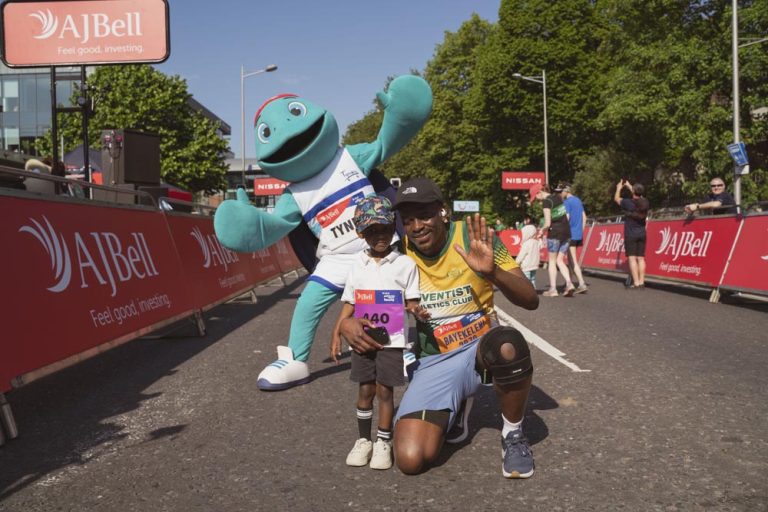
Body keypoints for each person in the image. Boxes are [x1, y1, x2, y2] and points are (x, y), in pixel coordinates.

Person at [338, 177, 540, 479]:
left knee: (508, 345)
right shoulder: (398, 252)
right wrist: (347, 322)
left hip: (482, 349)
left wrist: (493, 273)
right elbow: (365, 294)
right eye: (408, 220)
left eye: (424, 215)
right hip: (436, 360)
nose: (417, 226)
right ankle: (455, 407)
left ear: (442, 212)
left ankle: (513, 434)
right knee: (410, 458)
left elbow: (530, 299)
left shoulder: (475, 237)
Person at [330, 195, 426, 470]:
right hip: (362, 340)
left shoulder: (405, 264)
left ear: (393, 227)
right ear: (361, 233)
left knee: (385, 390)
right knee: (365, 389)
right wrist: (336, 333)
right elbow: (350, 303)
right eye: (372, 231)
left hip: (392, 341)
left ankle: (383, 441)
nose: (380, 236)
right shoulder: (356, 265)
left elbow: (412, 300)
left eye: (384, 229)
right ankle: (364, 440)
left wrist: (417, 311)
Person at [530, 184, 575, 297]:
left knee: (552, 261)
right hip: (567, 232)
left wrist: (541, 231)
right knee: (560, 260)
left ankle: (553, 289)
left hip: (555, 233)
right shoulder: (558, 197)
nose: (537, 201)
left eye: (536, 198)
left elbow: (547, 223)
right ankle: (569, 283)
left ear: (539, 192)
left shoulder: (546, 202)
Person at [614, 180, 649, 288]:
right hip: (642, 233)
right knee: (641, 258)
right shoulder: (644, 202)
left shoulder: (627, 202)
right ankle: (642, 282)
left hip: (631, 233)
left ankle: (636, 282)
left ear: (633, 191)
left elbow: (616, 199)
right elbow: (639, 196)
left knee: (632, 258)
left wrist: (618, 188)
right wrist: (631, 187)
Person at [560, 184, 588, 294]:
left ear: (565, 191)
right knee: (571, 259)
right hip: (578, 234)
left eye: (561, 192)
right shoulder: (578, 200)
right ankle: (569, 282)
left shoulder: (567, 202)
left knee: (573, 260)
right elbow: (584, 217)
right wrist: (580, 231)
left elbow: (567, 218)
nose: (560, 194)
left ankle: (581, 283)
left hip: (570, 234)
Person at [515, 224, 540, 289]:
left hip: (526, 265)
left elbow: (522, 255)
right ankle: (533, 289)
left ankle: (526, 290)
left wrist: (516, 262)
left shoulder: (526, 244)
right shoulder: (536, 242)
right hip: (534, 265)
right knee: (532, 278)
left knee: (526, 279)